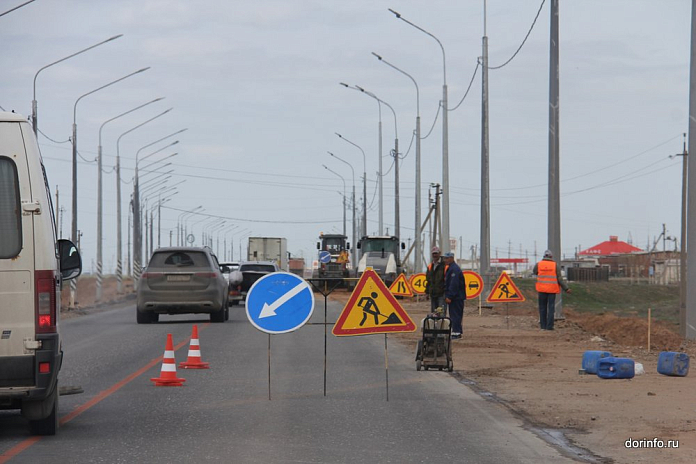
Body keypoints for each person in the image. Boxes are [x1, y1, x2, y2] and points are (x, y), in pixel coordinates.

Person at [533, 249, 571, 330]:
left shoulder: (538, 264)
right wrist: (566, 288)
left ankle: (543, 326)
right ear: (551, 256)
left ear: (544, 256)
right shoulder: (555, 265)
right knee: (551, 308)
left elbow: (535, 272)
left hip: (542, 289)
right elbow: (559, 279)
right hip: (551, 290)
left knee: (542, 308)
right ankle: (549, 326)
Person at [443, 252, 466, 339]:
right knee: (455, 314)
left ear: (451, 258)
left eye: (447, 258)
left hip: (456, 297)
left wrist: (450, 296)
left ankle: (456, 332)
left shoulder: (454, 269)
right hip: (457, 296)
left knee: (455, 315)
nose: (445, 260)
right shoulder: (451, 268)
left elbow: (454, 284)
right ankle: (457, 331)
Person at [425, 246, 446, 313]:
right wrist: (427, 292)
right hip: (433, 294)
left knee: (441, 313)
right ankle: (435, 323)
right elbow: (428, 281)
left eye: (436, 253)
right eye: (433, 254)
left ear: (439, 253)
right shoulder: (430, 266)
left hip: (442, 294)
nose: (435, 255)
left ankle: (441, 323)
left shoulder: (444, 265)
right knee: (434, 314)